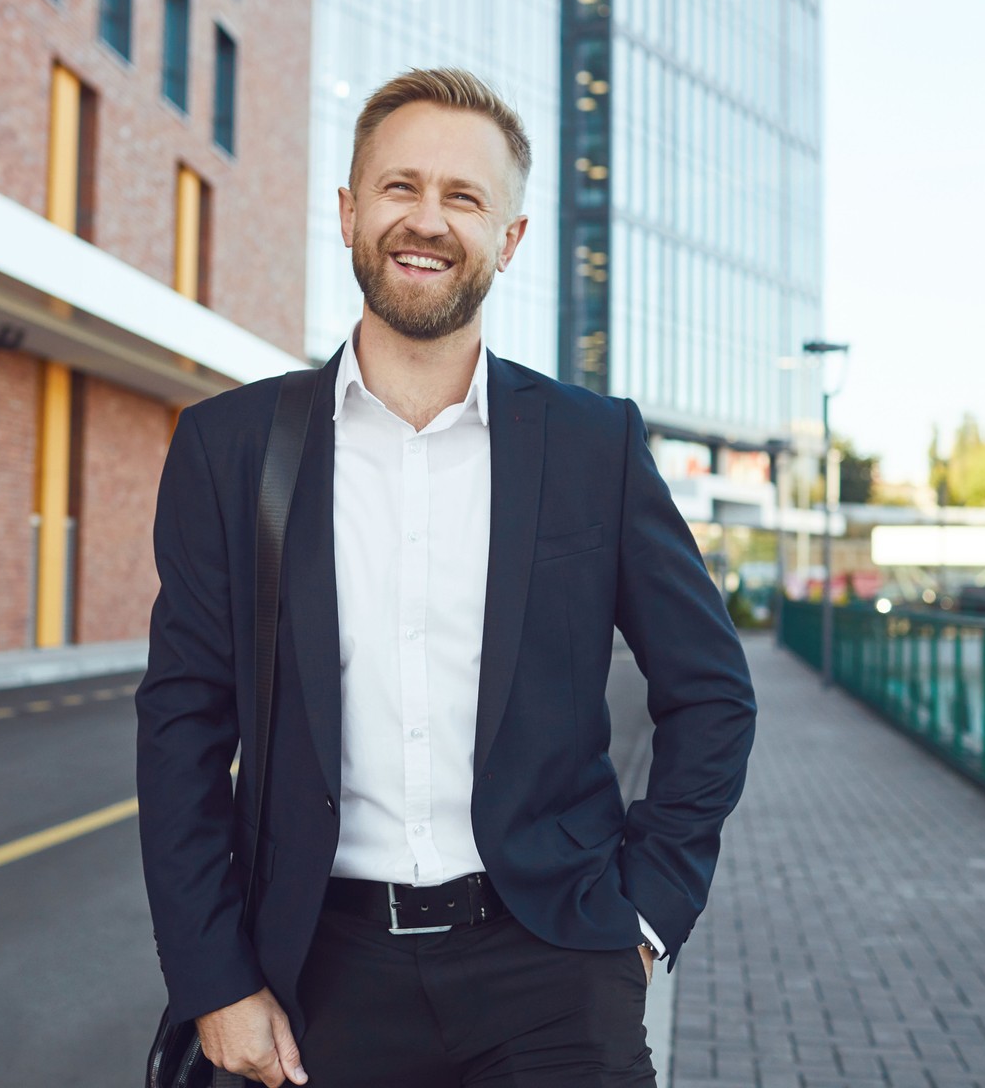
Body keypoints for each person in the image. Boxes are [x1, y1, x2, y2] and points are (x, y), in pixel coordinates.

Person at [137, 68, 757, 1087]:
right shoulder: (232, 447)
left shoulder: (593, 446)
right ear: (348, 212)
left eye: (464, 197)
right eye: (399, 187)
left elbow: (713, 692)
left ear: (508, 239)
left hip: (551, 963)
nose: (426, 220)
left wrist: (642, 918)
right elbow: (182, 728)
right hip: (311, 974)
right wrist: (214, 978)